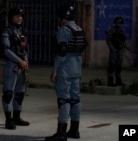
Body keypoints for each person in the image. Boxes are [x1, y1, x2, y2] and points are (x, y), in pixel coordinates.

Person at [46, 5, 86, 141]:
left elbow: (61, 51)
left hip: (65, 70)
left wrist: (55, 69)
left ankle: (61, 132)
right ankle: (74, 130)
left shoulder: (64, 30)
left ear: (63, 18)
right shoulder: (79, 29)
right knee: (76, 100)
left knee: (64, 100)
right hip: (77, 70)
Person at [1, 7, 30, 130]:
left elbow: (25, 50)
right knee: (8, 93)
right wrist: (20, 61)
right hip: (12, 65)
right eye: (17, 16)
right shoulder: (7, 31)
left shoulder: (23, 31)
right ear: (11, 17)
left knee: (20, 93)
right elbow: (6, 50)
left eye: (21, 16)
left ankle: (17, 117)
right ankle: (8, 120)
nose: (20, 18)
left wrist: (26, 64)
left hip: (22, 66)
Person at [105, 16, 127, 87]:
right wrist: (112, 48)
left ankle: (118, 80)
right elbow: (108, 40)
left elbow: (123, 40)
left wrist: (123, 47)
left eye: (120, 23)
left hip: (120, 50)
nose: (119, 24)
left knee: (119, 65)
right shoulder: (112, 30)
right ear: (115, 23)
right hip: (114, 49)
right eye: (118, 23)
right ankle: (110, 81)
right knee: (112, 65)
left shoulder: (121, 31)